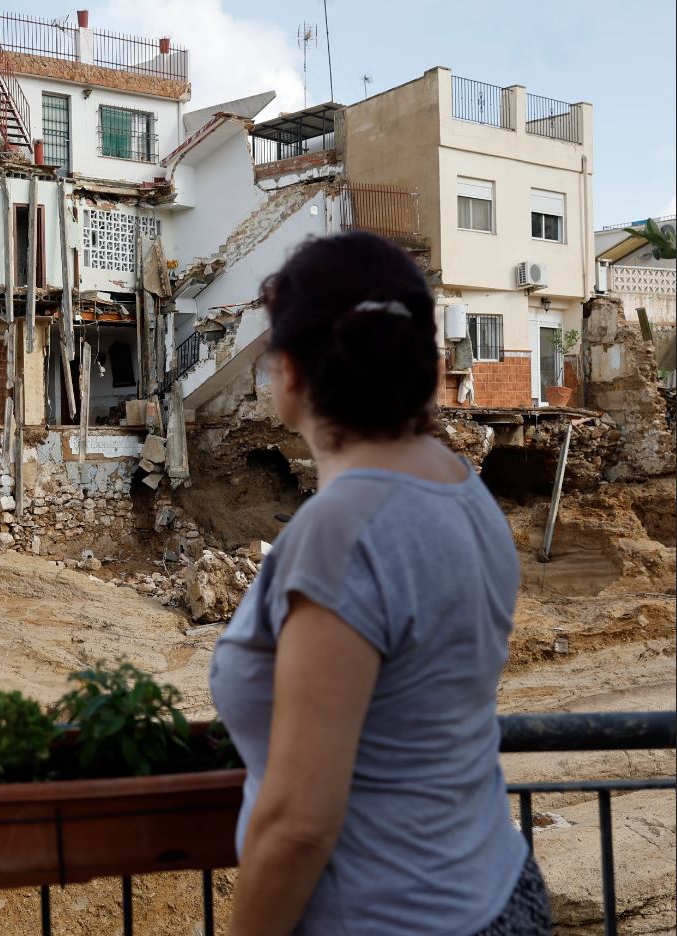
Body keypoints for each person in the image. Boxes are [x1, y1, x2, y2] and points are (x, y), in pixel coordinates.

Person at [210, 231, 550, 935]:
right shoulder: (462, 488)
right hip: (498, 887)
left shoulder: (343, 531)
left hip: (390, 916)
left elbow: (301, 822)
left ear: (291, 374)